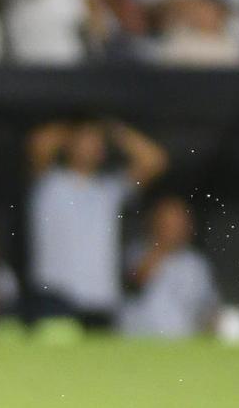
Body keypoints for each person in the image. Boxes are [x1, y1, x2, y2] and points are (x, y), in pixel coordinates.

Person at [26, 119, 170, 326]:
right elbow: (38, 143)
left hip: (101, 301)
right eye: (85, 140)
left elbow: (155, 161)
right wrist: (72, 130)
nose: (90, 146)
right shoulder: (49, 184)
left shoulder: (109, 190)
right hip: (54, 298)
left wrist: (115, 130)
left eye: (96, 142)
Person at [121, 196, 220, 338]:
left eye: (179, 221)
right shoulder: (136, 252)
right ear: (154, 221)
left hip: (180, 345)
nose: (174, 227)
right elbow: (133, 283)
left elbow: (208, 308)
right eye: (168, 220)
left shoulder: (196, 264)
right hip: (138, 342)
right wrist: (161, 247)